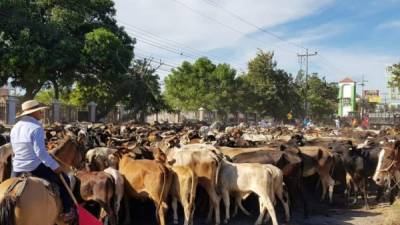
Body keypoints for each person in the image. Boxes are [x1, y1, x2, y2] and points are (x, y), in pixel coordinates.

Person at [10, 100, 77, 223]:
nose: (41, 113)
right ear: (34, 112)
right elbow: (40, 153)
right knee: (65, 179)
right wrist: (55, 166)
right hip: (34, 167)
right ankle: (67, 212)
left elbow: (14, 149)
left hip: (17, 168)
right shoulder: (36, 127)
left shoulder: (15, 127)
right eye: (40, 111)